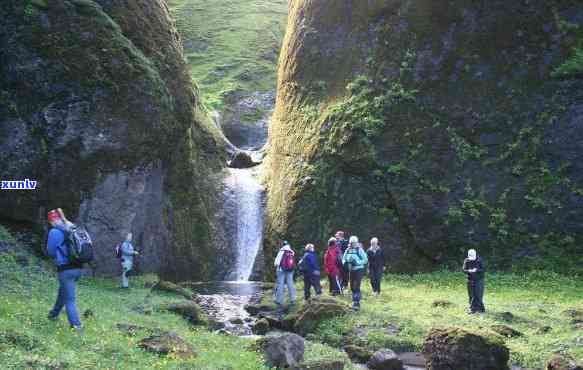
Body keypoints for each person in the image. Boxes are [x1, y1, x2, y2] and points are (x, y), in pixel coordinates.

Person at [46, 208, 83, 331]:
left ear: (51, 221)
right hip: (78, 268)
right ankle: (53, 315)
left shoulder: (55, 232)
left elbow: (50, 252)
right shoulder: (72, 227)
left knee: (70, 299)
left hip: (66, 269)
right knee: (64, 291)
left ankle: (76, 326)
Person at [342, 236, 368, 310]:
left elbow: (365, 260)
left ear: (356, 243)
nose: (352, 244)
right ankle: (354, 301)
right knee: (352, 286)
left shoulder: (359, 250)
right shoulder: (347, 250)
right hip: (351, 270)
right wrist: (345, 263)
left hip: (359, 269)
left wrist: (357, 262)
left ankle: (356, 303)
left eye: (354, 243)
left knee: (356, 286)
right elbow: (343, 258)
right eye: (351, 243)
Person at [462, 249, 486, 314]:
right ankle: (473, 308)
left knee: (478, 295)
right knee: (471, 295)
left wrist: (476, 270)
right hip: (470, 279)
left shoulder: (479, 260)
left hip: (479, 280)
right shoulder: (466, 260)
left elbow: (483, 269)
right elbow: (464, 269)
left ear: (475, 255)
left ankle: (478, 309)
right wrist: (468, 271)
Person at [274, 241, 297, 306]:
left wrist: (277, 267)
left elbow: (276, 262)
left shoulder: (281, 251)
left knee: (280, 284)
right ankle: (293, 299)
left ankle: (279, 300)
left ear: (283, 245)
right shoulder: (291, 252)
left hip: (281, 270)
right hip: (290, 270)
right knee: (290, 283)